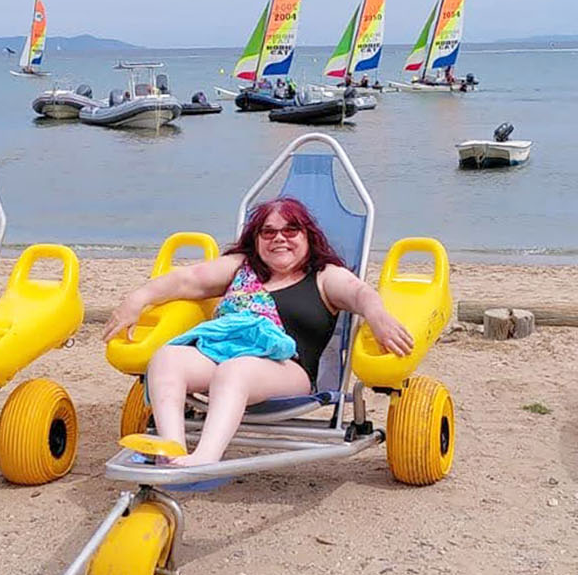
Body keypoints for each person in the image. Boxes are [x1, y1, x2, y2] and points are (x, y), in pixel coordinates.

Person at [103, 197, 413, 467]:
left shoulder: (323, 276)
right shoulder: (241, 267)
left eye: (291, 230)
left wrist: (377, 315)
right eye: (268, 231)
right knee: (168, 358)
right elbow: (186, 280)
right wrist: (137, 300)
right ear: (257, 239)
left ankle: (204, 458)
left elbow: (360, 294)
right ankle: (170, 452)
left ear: (308, 237)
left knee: (236, 371)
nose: (279, 238)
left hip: (288, 369)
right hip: (220, 357)